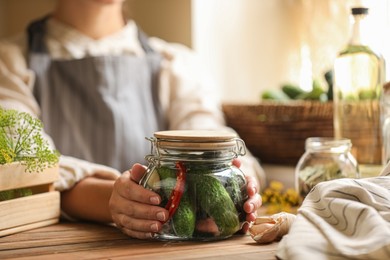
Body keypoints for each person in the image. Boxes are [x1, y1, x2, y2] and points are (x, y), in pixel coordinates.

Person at [0, 0, 264, 239]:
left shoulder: (176, 64)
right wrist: (113, 201)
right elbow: (27, 169)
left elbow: (210, 134)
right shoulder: (9, 63)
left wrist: (237, 182)